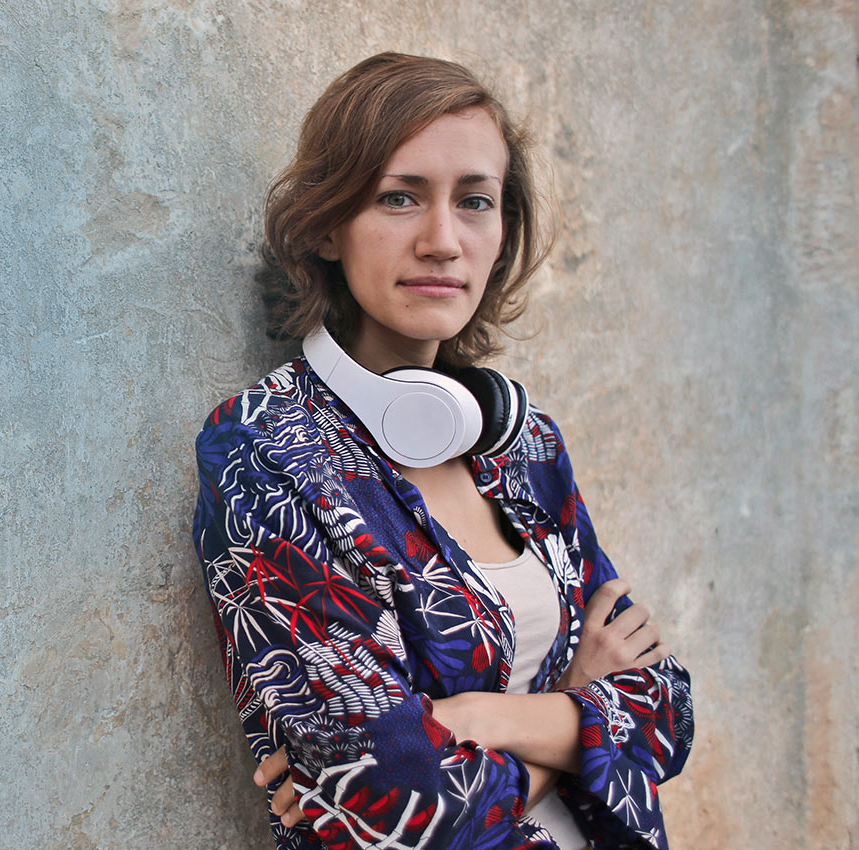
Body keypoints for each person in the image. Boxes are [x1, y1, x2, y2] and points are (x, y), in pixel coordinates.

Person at [191, 53, 693, 850]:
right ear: (326, 226)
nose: (443, 241)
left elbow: (667, 710)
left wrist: (481, 717)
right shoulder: (267, 452)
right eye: (400, 197)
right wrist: (578, 710)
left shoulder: (524, 443)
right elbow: (404, 807)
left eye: (475, 201)